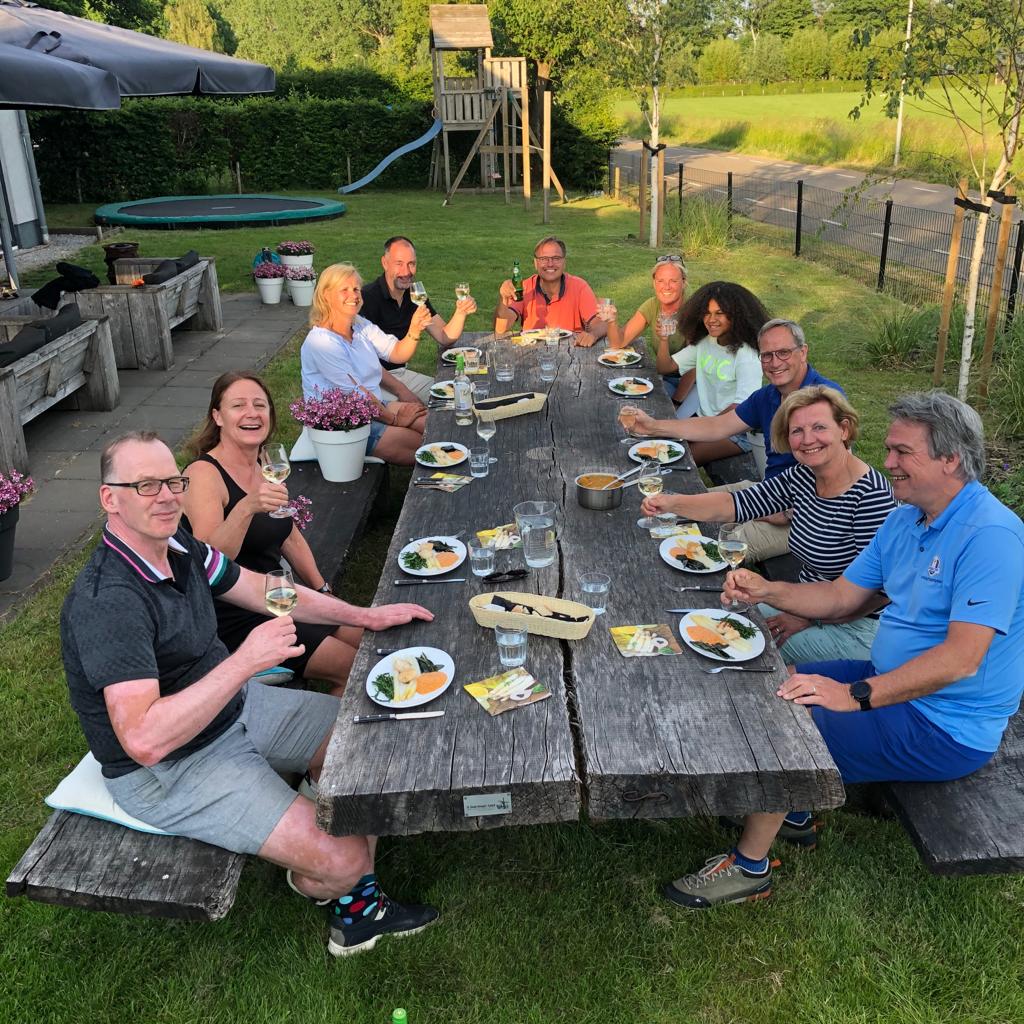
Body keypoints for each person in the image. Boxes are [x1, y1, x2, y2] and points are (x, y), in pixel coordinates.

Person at [60, 431, 440, 955]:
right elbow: (144, 740)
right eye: (145, 485)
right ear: (110, 498)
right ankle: (351, 906)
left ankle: (314, 830)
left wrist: (363, 616)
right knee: (349, 859)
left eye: (173, 482)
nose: (166, 497)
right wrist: (244, 662)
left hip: (233, 710)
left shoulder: (181, 548)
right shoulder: (110, 601)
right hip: (172, 766)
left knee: (366, 734)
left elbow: (267, 591)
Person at [661, 392, 1024, 910]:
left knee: (788, 726)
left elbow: (961, 659)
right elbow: (840, 597)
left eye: (902, 452)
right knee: (773, 682)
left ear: (951, 458)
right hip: (893, 678)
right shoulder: (908, 519)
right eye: (890, 449)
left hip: (946, 722)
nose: (888, 462)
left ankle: (750, 868)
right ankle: (795, 811)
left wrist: (854, 695)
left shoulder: (990, 537)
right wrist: (766, 590)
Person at [642, 386, 897, 663]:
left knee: (732, 651)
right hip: (804, 604)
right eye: (797, 431)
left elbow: (882, 594)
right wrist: (672, 503)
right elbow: (736, 504)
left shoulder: (871, 497)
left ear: (844, 429)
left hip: (857, 628)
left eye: (819, 427)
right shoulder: (804, 475)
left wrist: (809, 617)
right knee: (703, 623)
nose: (807, 439)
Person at [182, 372, 361, 695]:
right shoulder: (203, 474)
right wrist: (246, 507)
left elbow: (289, 534)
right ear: (218, 416)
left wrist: (322, 589)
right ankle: (322, 726)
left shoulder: (265, 466)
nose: (252, 413)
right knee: (356, 669)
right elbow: (210, 560)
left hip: (280, 598)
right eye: (238, 405)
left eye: (259, 405)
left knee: (370, 640)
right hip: (238, 616)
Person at [630, 318, 844, 562]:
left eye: (784, 352)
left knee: (709, 552)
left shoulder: (825, 398)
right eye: (767, 355)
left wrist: (787, 512)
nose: (775, 363)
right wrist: (653, 426)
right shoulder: (767, 395)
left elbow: (838, 474)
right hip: (770, 493)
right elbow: (717, 426)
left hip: (809, 516)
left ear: (803, 352)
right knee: (670, 509)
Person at [300, 263, 426, 467]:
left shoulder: (358, 324)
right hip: (343, 424)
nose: (353, 295)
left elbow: (396, 353)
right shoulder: (321, 342)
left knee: (432, 424)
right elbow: (356, 395)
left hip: (374, 406)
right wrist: (395, 420)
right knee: (425, 446)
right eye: (344, 289)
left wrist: (415, 329)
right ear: (325, 296)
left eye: (356, 289)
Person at [359, 236, 478, 403]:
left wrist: (460, 312)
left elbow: (444, 337)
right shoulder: (368, 298)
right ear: (385, 263)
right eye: (399, 263)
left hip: (401, 374)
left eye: (411, 264)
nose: (406, 272)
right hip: (374, 382)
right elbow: (366, 364)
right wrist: (402, 391)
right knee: (426, 408)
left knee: (458, 393)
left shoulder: (415, 294)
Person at [658, 282, 766, 450]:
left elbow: (742, 407)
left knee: (676, 455)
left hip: (736, 431)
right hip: (706, 422)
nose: (711, 319)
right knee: (661, 446)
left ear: (737, 316)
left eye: (719, 313)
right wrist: (663, 339)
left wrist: (704, 427)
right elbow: (665, 367)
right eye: (707, 313)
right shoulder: (706, 342)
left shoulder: (747, 355)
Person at [494, 236, 608, 348]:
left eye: (556, 258)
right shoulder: (525, 287)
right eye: (544, 259)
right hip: (531, 351)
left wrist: (592, 334)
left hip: (571, 351)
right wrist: (504, 299)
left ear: (564, 262)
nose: (550, 264)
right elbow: (501, 329)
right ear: (535, 263)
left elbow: (601, 323)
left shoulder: (579, 287)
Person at [604, 254, 689, 400]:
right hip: (663, 376)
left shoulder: (692, 310)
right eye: (661, 281)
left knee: (648, 401)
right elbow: (619, 342)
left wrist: (676, 402)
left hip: (690, 384)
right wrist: (612, 322)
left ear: (684, 282)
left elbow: (695, 367)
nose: (666, 286)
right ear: (654, 283)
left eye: (673, 281)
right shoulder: (652, 305)